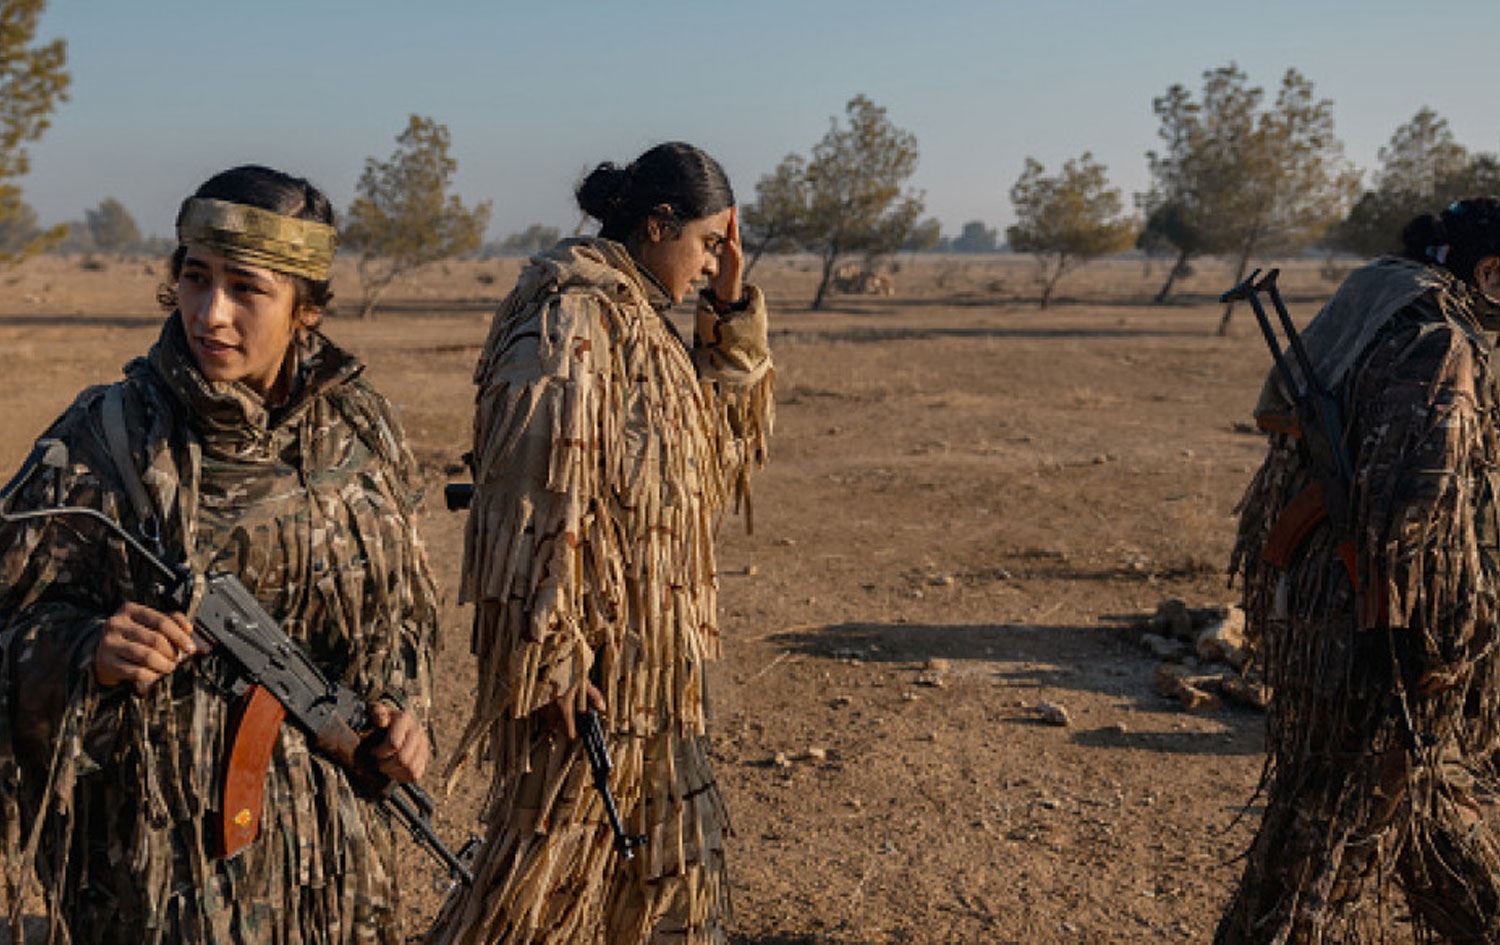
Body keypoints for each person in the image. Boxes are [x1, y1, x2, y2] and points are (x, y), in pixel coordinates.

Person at [0, 165, 439, 944]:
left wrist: (402, 715)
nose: (212, 313)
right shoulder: (104, 439)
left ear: (305, 308)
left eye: (247, 288)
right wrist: (88, 651)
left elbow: (399, 621)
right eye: (196, 279)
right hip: (158, 885)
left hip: (330, 879)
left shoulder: (363, 432)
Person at [427, 142, 773, 945]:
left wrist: (728, 309)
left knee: (672, 875)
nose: (716, 259)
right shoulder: (571, 320)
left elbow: (710, 457)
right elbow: (526, 502)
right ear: (657, 225)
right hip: (592, 680)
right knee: (544, 888)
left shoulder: (643, 318)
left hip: (658, 674)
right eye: (709, 243)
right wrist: (553, 658)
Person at [1220, 198, 1500, 943]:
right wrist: (1406, 639)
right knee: (1317, 853)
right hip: (1383, 635)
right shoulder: (1437, 343)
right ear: (1488, 270)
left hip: (1333, 612)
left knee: (1431, 822)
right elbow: (1414, 506)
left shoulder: (1372, 311)